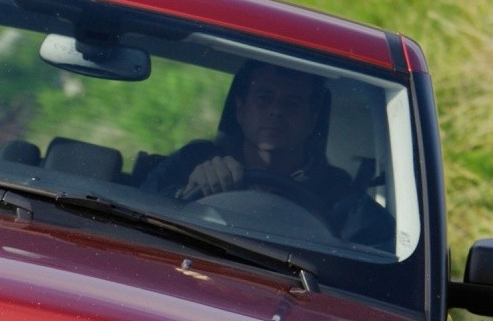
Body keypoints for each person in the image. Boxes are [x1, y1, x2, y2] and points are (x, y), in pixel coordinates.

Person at [148, 58, 392, 245]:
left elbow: (382, 253)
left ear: (312, 119)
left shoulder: (341, 198)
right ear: (240, 110)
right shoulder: (192, 161)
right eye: (264, 98)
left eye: (291, 103)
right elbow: (140, 215)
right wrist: (183, 194)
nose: (276, 111)